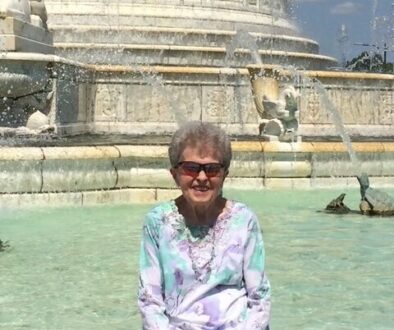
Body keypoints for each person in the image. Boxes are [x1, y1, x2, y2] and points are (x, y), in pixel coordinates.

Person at [138, 121, 271, 329]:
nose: (201, 177)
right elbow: (150, 301)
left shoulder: (244, 220)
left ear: (224, 174)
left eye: (212, 169)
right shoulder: (157, 222)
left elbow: (260, 297)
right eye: (190, 168)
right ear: (175, 174)